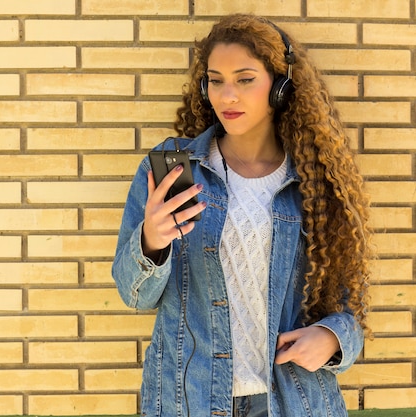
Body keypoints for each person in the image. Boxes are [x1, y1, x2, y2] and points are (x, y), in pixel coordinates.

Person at [111, 13, 373, 417]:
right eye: (216, 80)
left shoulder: (314, 182)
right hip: (188, 400)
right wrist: (152, 241)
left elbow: (348, 304)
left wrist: (331, 337)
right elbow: (134, 295)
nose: (226, 96)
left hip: (292, 401)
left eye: (245, 79)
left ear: (281, 88)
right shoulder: (174, 168)